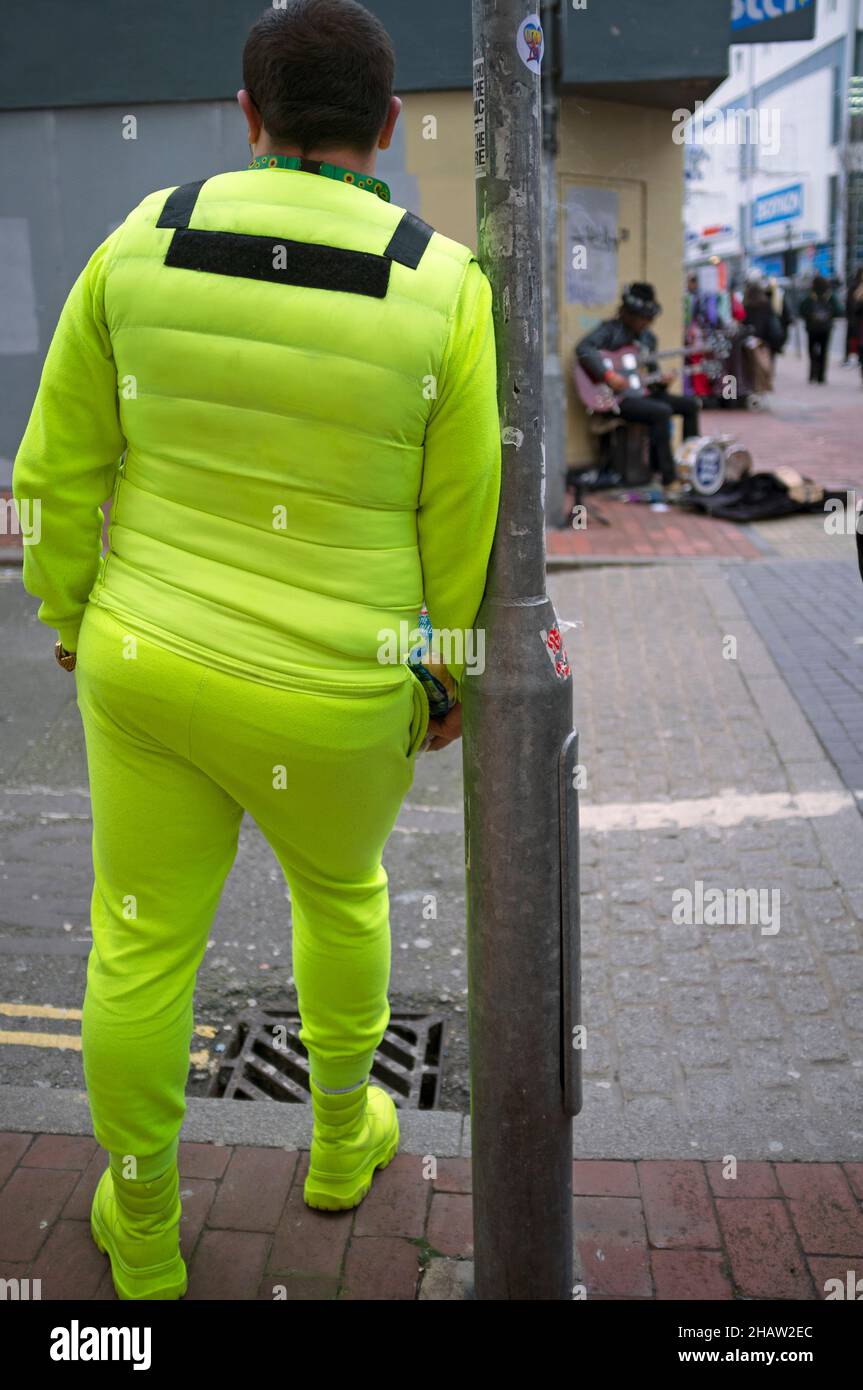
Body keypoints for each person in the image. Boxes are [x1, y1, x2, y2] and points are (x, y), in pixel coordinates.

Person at [11, 0, 501, 1300]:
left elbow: (51, 475)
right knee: (339, 898)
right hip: (338, 692)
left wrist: (68, 617)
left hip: (150, 662)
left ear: (248, 114)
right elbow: (465, 529)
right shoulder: (442, 283)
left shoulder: (138, 243)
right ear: (390, 128)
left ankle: (143, 1226)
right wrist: (446, 676)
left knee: (138, 942)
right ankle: (342, 1142)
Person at [575, 281, 700, 488]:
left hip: (642, 393)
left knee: (690, 405)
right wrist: (608, 375)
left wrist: (662, 381)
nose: (647, 323)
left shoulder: (649, 340)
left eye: (649, 319)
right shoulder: (610, 331)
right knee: (661, 411)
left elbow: (651, 377)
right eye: (644, 318)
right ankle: (667, 477)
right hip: (616, 398)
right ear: (629, 314)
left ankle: (692, 463)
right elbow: (584, 349)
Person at [800, 274, 843, 383]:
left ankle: (812, 374)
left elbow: (802, 310)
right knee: (824, 352)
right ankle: (821, 376)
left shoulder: (810, 296)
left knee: (811, 351)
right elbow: (839, 311)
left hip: (812, 328)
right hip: (826, 328)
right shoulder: (829, 296)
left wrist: (810, 317)